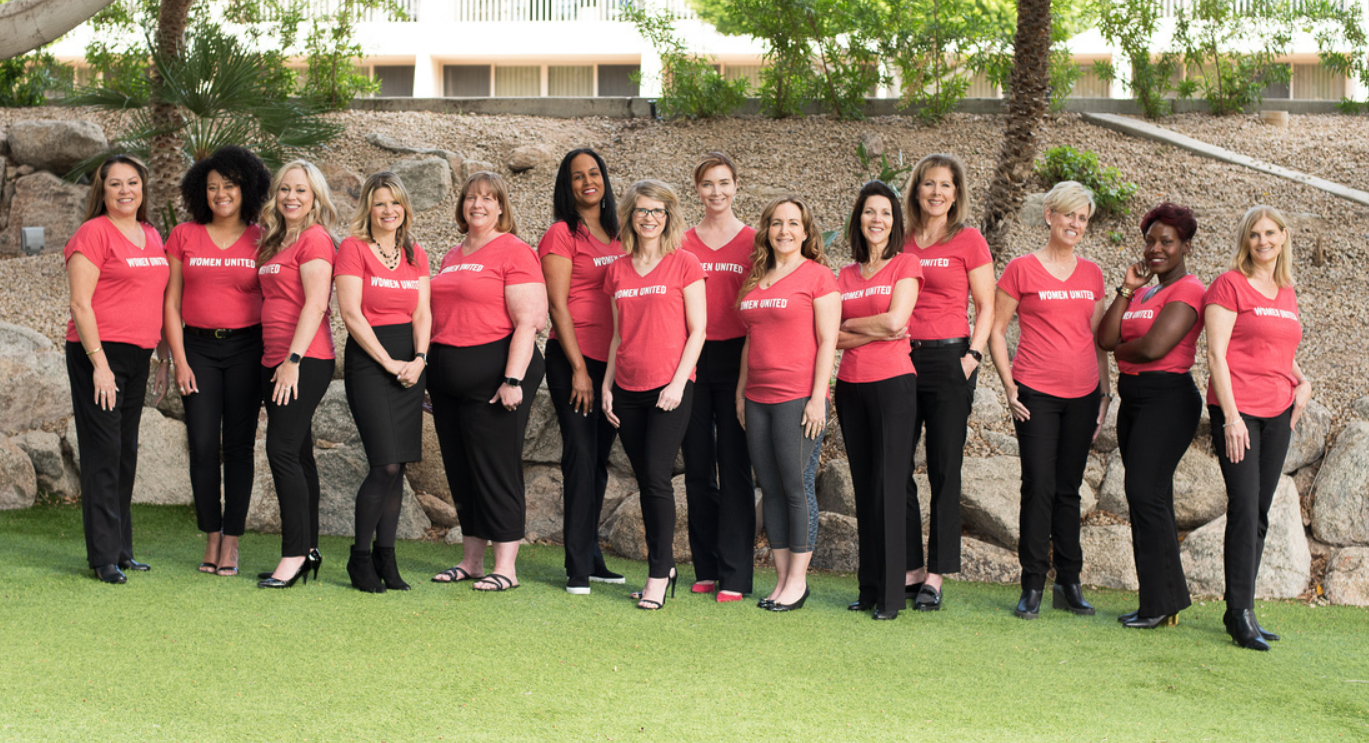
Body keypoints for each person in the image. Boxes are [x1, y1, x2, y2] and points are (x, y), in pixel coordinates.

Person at [988, 180, 1109, 620]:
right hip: (1035, 394)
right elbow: (996, 330)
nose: (1075, 223)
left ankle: (1070, 582)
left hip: (1082, 395)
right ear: (1049, 216)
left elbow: (1098, 341)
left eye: (1082, 217)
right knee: (1038, 485)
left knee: (1068, 489)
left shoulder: (1093, 274)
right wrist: (1008, 386)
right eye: (1068, 215)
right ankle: (1033, 582)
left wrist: (1104, 392)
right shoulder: (1021, 268)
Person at [428, 172, 547, 593]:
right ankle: (471, 561)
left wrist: (512, 378)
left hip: (497, 374)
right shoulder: (450, 256)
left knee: (495, 469)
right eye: (470, 197)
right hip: (448, 379)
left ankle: (507, 567)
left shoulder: (515, 251)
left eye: (488, 198)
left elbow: (528, 322)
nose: (477, 204)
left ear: (501, 207)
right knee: (461, 471)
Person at [163, 145, 271, 578]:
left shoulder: (264, 237)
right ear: (199, 193)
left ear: (246, 188)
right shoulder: (184, 236)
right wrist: (179, 360)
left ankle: (232, 541)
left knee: (240, 448)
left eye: (229, 185)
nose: (221, 194)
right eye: (211, 187)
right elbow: (171, 304)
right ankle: (210, 535)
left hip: (248, 350)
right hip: (199, 351)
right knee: (204, 445)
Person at [1205, 205, 1309, 651]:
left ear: (1284, 237)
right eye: (1254, 235)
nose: (1262, 241)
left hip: (1279, 412)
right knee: (1245, 506)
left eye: (1270, 233)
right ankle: (1239, 614)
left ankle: (1241, 608)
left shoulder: (1285, 291)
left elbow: (1279, 348)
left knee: (1261, 512)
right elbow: (1215, 354)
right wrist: (1230, 417)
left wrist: (1302, 381)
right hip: (1239, 412)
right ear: (1245, 241)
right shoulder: (1228, 285)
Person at [1097, 203, 1203, 629]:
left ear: (1185, 246)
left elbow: (1153, 348)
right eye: (1151, 240)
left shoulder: (1189, 290)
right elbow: (1105, 336)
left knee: (1144, 492)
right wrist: (1125, 289)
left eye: (1167, 242)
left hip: (1168, 399)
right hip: (1134, 399)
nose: (1156, 248)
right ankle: (1160, 600)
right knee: (1148, 495)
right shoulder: (1143, 292)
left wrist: (1123, 351)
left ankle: (1160, 602)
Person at [64, 154, 170, 584]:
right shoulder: (92, 234)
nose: (125, 190)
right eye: (115, 184)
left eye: (133, 183)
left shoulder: (150, 233)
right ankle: (103, 557)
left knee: (125, 453)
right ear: (102, 191)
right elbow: (79, 304)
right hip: (96, 354)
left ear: (143, 189)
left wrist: (162, 356)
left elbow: (157, 300)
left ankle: (123, 549)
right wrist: (100, 366)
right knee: (103, 453)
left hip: (138, 355)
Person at [601, 179, 706, 611]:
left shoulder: (685, 263)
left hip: (670, 388)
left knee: (658, 479)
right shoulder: (617, 271)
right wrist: (607, 385)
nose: (649, 218)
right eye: (642, 210)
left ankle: (658, 574)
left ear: (669, 217)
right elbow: (618, 334)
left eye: (657, 211)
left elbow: (699, 329)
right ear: (630, 216)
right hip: (626, 388)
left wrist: (678, 383)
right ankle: (666, 568)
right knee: (646, 480)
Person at [737, 196, 840, 613]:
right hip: (757, 398)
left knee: (796, 488)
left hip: (797, 397)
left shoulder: (818, 277)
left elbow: (829, 340)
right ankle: (780, 580)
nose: (784, 231)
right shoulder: (757, 278)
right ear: (767, 230)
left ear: (805, 231)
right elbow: (750, 339)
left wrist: (818, 398)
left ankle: (798, 582)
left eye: (793, 223)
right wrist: (741, 393)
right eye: (777, 223)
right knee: (772, 489)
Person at [901, 153, 994, 611]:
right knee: (898, 466)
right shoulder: (901, 239)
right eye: (929, 184)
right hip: (898, 360)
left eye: (946, 185)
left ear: (956, 194)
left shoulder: (969, 240)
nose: (937, 192)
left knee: (943, 468)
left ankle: (936, 575)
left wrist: (973, 356)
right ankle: (911, 568)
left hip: (949, 361)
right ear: (917, 189)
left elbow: (987, 304)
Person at [537, 148, 627, 594]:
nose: (588, 181)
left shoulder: (621, 233)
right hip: (574, 359)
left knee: (599, 460)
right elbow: (557, 306)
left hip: (614, 363)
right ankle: (575, 565)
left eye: (594, 173)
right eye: (577, 176)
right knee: (579, 455)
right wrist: (579, 370)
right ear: (566, 185)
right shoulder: (561, 233)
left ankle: (592, 556)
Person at [335, 172, 430, 593]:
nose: (388, 210)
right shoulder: (353, 249)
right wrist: (390, 362)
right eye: (379, 203)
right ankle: (359, 558)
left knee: (399, 468)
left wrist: (420, 360)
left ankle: (386, 560)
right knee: (384, 463)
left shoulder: (416, 254)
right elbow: (351, 314)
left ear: (405, 208)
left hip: (409, 361)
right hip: (371, 360)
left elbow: (422, 313)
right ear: (367, 209)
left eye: (395, 203)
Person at [835, 181, 921, 620]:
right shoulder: (844, 276)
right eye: (870, 212)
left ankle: (890, 596)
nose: (877, 220)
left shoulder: (905, 265)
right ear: (859, 219)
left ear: (895, 221)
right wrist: (865, 327)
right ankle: (868, 589)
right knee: (864, 489)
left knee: (889, 487)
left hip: (893, 387)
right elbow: (829, 334)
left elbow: (896, 322)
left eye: (885, 213)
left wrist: (851, 325)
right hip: (850, 387)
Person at [255, 160, 338, 589]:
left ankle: (292, 556)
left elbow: (315, 304)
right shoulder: (275, 241)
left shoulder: (315, 239)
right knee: (300, 454)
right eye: (285, 189)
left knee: (282, 452)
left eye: (301, 191)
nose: (291, 197)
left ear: (315, 198)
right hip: (275, 359)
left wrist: (293, 361)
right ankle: (308, 551)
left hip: (303, 360)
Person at [679, 152, 756, 602]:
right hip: (691, 354)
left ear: (735, 186)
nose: (716, 192)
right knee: (697, 468)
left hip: (737, 358)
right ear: (698, 190)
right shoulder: (683, 242)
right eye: (708, 184)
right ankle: (706, 566)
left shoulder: (753, 240)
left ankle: (737, 574)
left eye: (724, 183)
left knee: (735, 467)